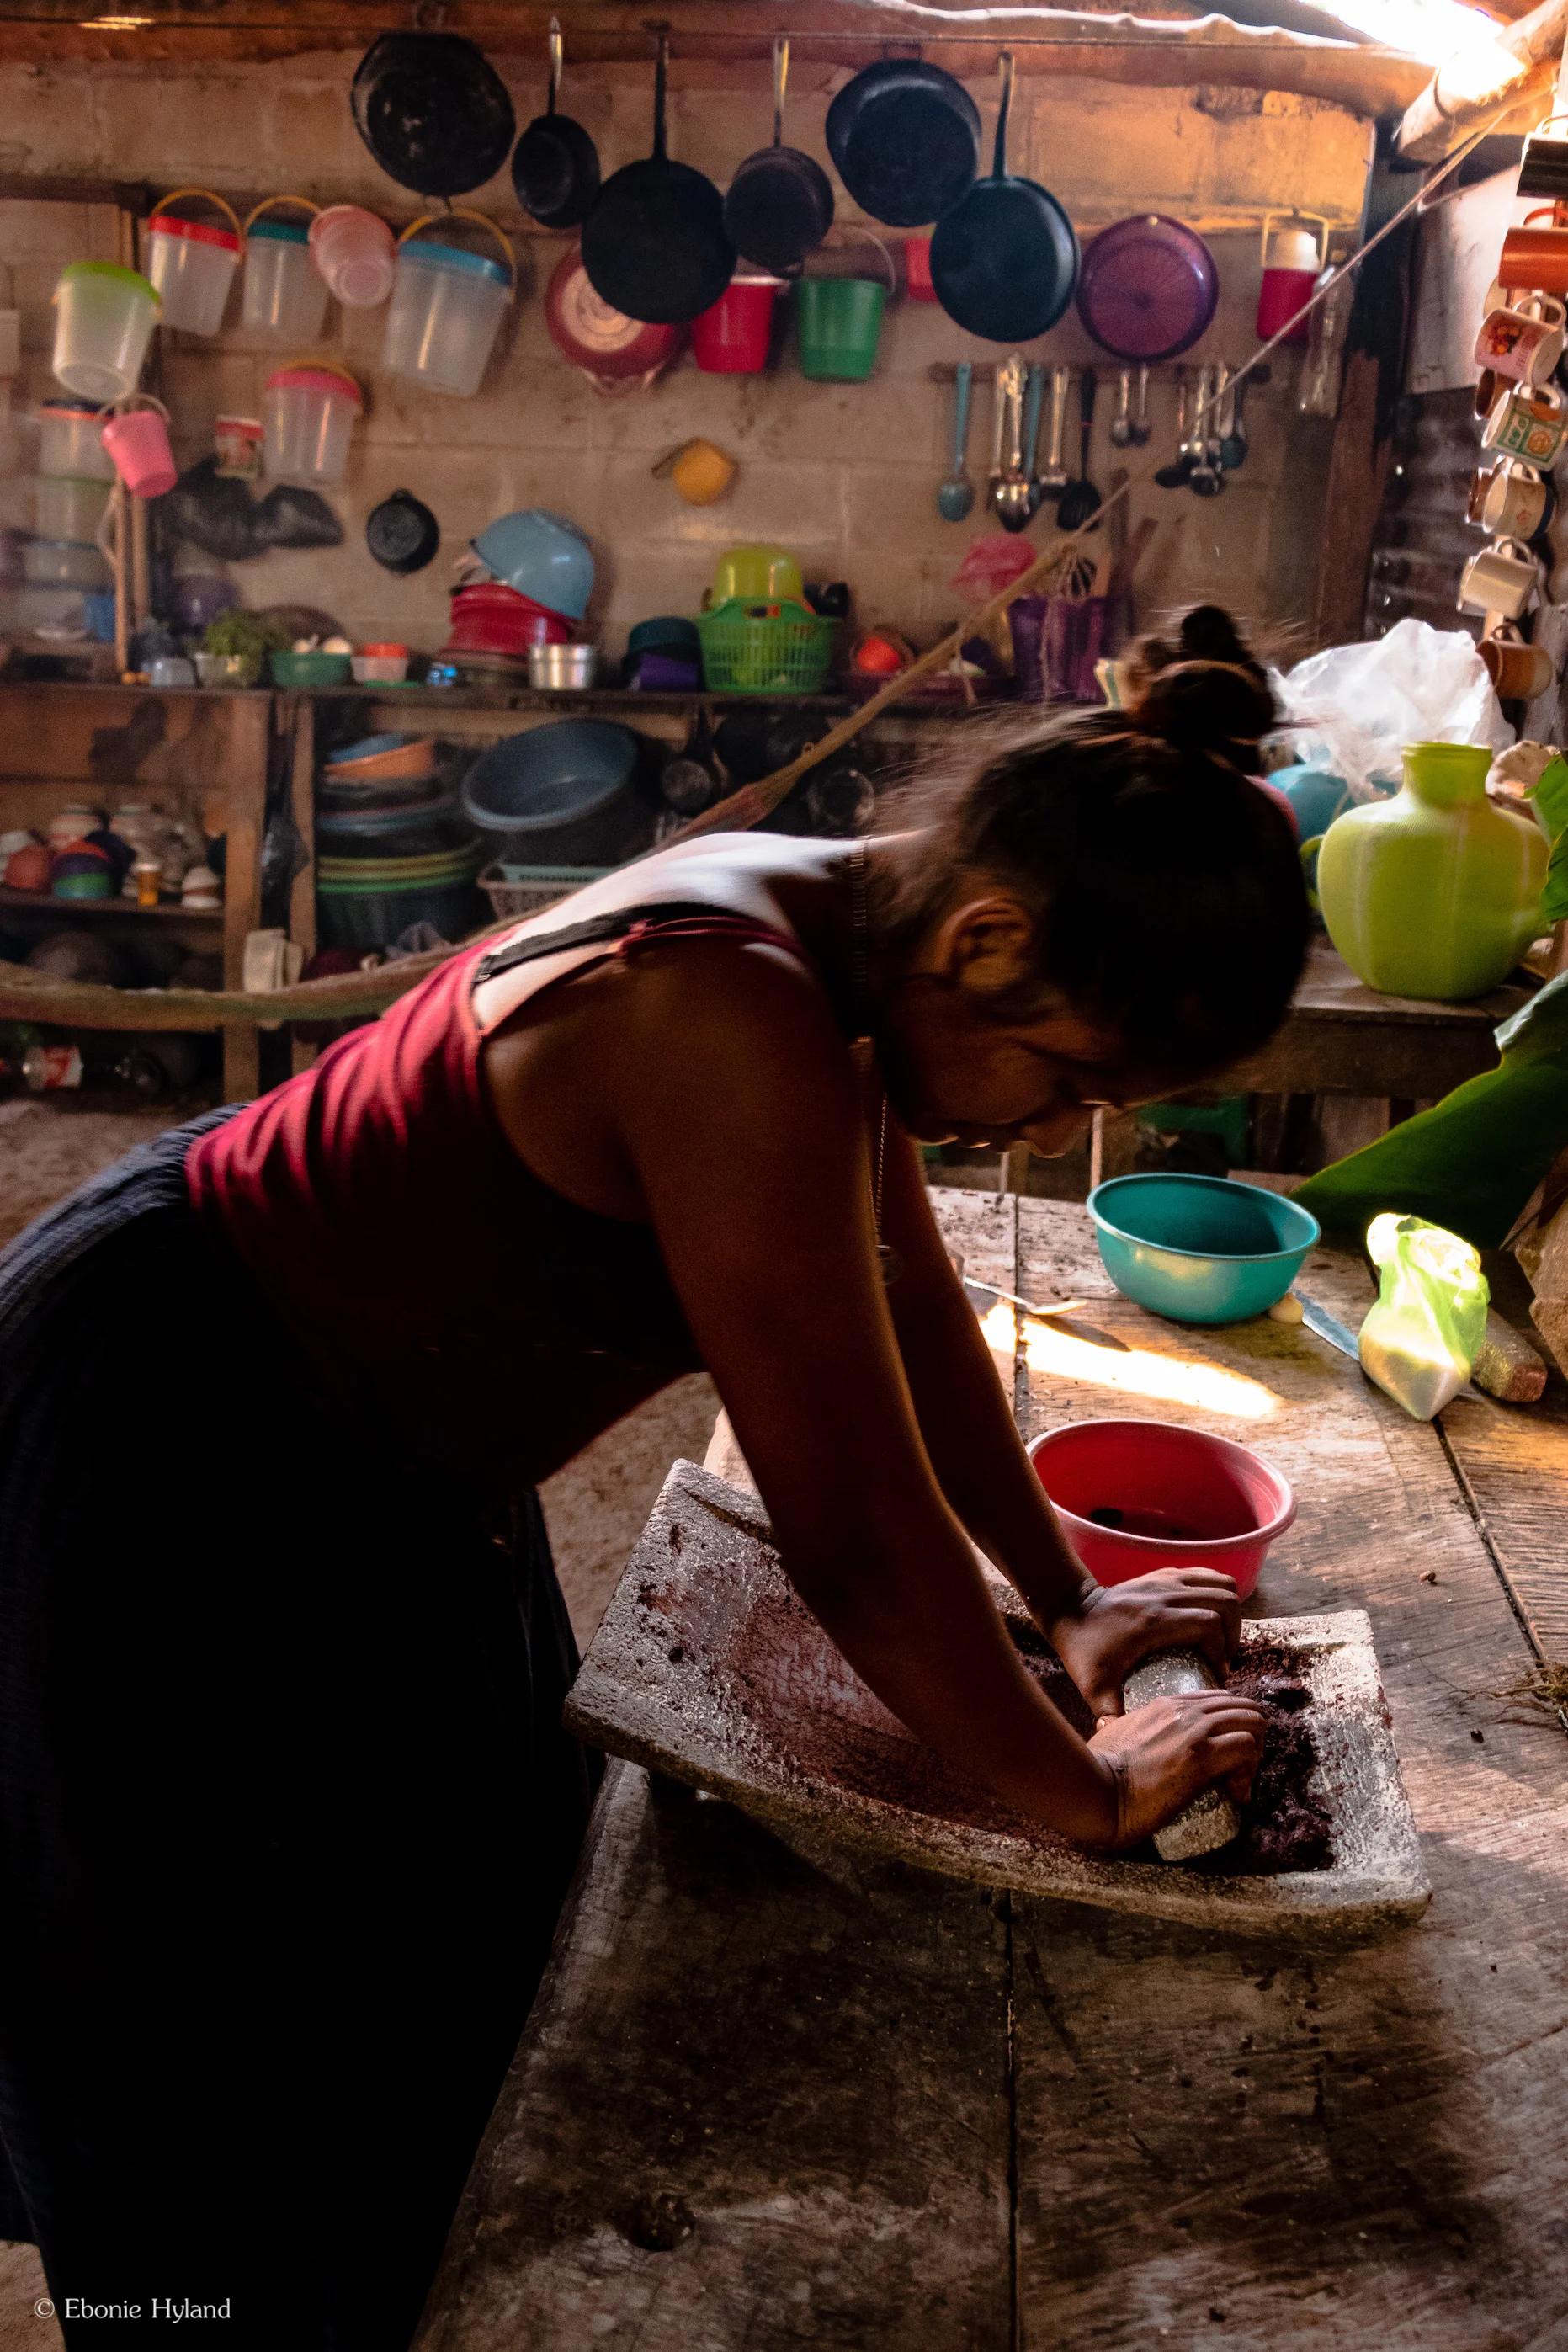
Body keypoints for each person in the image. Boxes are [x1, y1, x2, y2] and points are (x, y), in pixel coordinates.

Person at [0, 614, 1307, 2347]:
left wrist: (1062, 1594)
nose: (1047, 1130)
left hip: (386, 1464)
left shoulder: (858, 941)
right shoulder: (721, 1008)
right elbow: (851, 1530)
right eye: (1064, 1078)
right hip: (190, 1437)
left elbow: (906, 1293)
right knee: (226, 2037)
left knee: (458, 1974)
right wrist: (1076, 1788)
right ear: (985, 936)